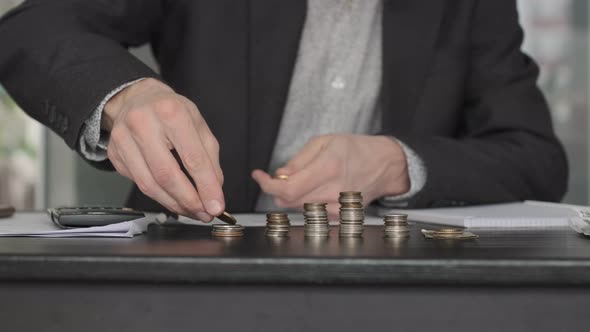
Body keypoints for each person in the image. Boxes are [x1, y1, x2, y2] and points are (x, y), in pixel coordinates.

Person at [0, 0, 568, 221]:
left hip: (398, 291)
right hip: (186, 282)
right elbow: (33, 28)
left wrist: (398, 164)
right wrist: (127, 96)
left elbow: (535, 157)